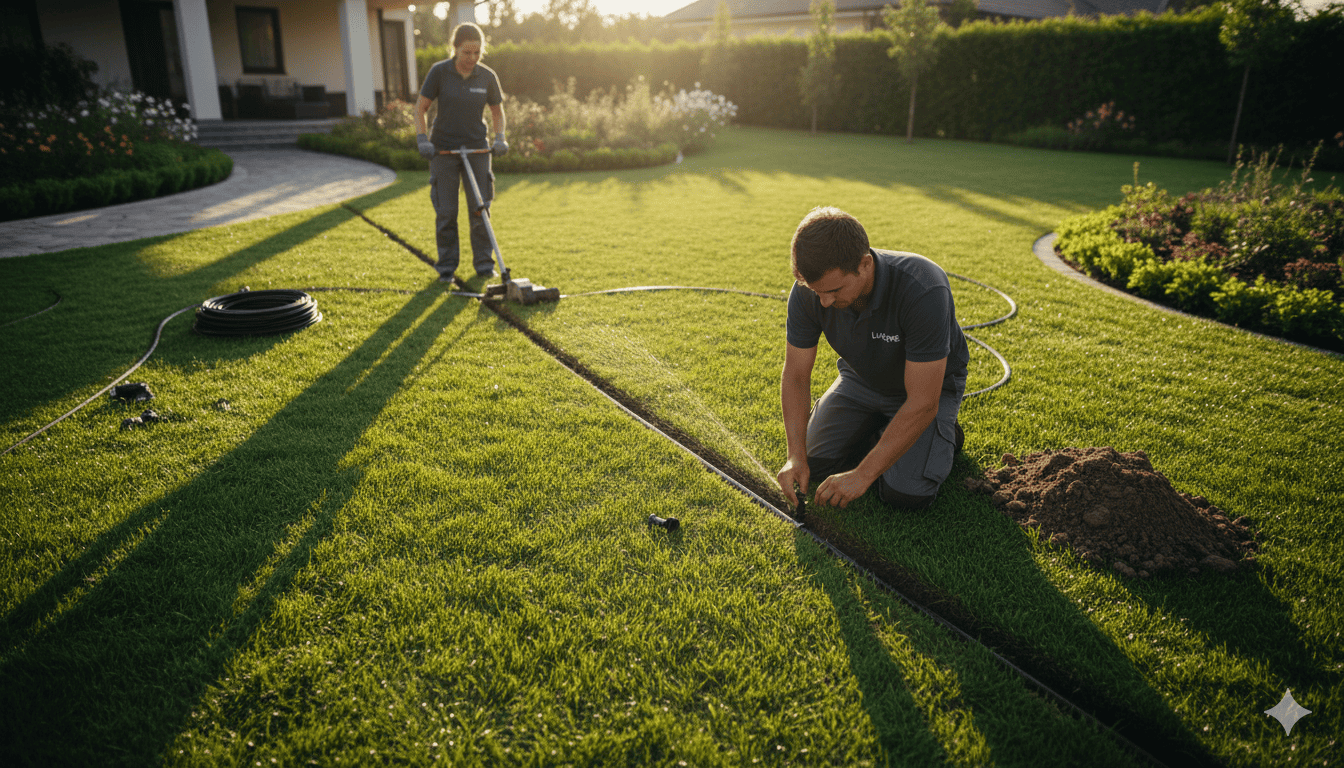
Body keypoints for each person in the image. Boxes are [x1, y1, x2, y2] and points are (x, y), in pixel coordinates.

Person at [776, 207, 968, 512]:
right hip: (860, 379)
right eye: (816, 291)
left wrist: (862, 475)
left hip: (927, 391)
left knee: (904, 492)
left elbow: (922, 400)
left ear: (864, 264)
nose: (824, 301)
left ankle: (945, 434)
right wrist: (795, 456)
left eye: (834, 290)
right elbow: (796, 375)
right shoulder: (810, 292)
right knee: (812, 461)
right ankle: (883, 429)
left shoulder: (923, 287)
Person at [415, 22, 509, 283]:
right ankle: (446, 267)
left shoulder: (487, 76)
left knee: (480, 209)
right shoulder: (439, 72)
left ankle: (484, 265)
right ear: (455, 48)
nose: (472, 58)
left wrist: (500, 138)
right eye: (467, 52)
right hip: (443, 150)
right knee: (446, 212)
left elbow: (497, 112)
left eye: (477, 52)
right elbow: (421, 108)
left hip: (477, 148)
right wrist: (422, 139)